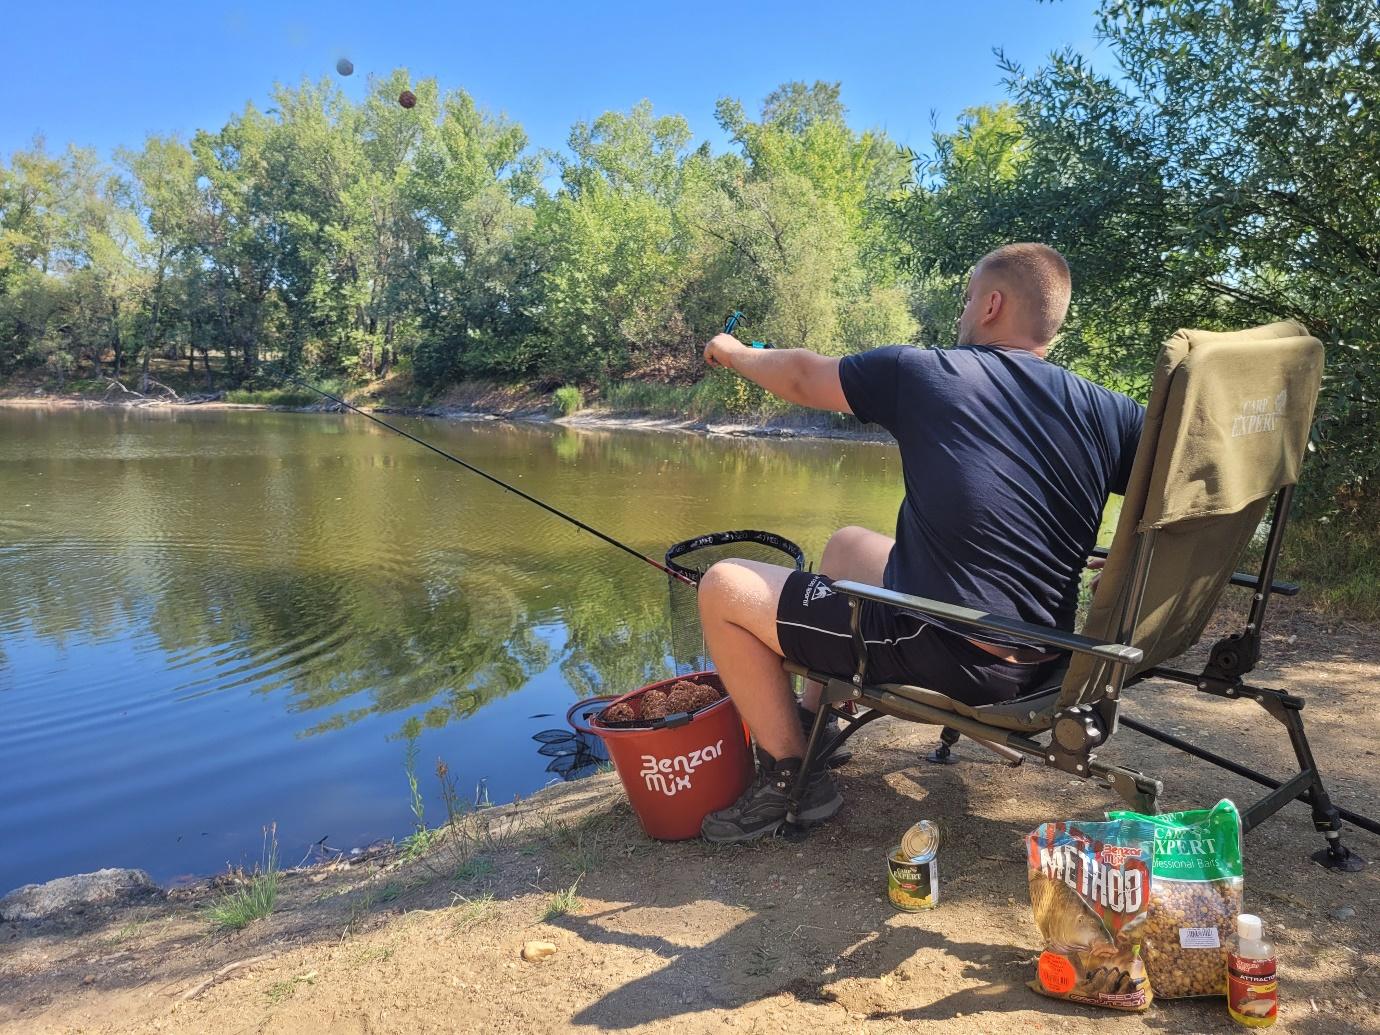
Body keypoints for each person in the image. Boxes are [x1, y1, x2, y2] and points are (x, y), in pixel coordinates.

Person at [695, 243, 1145, 844]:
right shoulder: (1110, 410)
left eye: (966, 300)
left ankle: (788, 778)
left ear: (991, 304)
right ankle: (812, 729)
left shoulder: (929, 372)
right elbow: (1173, 493)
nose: (961, 314)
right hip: (1046, 650)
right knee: (850, 545)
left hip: (948, 643)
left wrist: (732, 351)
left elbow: (803, 375)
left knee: (723, 586)